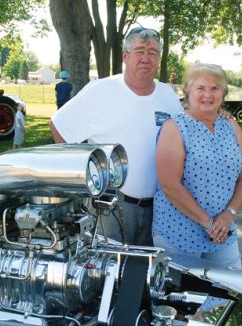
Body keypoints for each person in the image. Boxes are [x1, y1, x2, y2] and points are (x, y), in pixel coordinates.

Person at [50, 27, 183, 246]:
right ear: (125, 56)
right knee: (108, 274)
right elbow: (59, 126)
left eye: (153, 52)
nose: (146, 58)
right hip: (112, 206)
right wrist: (86, 179)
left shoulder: (168, 95)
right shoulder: (101, 91)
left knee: (149, 274)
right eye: (140, 51)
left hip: (161, 207)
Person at [152, 63, 242, 269]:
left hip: (223, 233)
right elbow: (170, 185)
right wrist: (208, 223)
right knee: (181, 299)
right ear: (188, 91)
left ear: (223, 93)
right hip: (178, 234)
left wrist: (228, 215)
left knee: (230, 293)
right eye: (200, 88)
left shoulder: (231, 125)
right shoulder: (175, 126)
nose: (208, 94)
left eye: (215, 88)